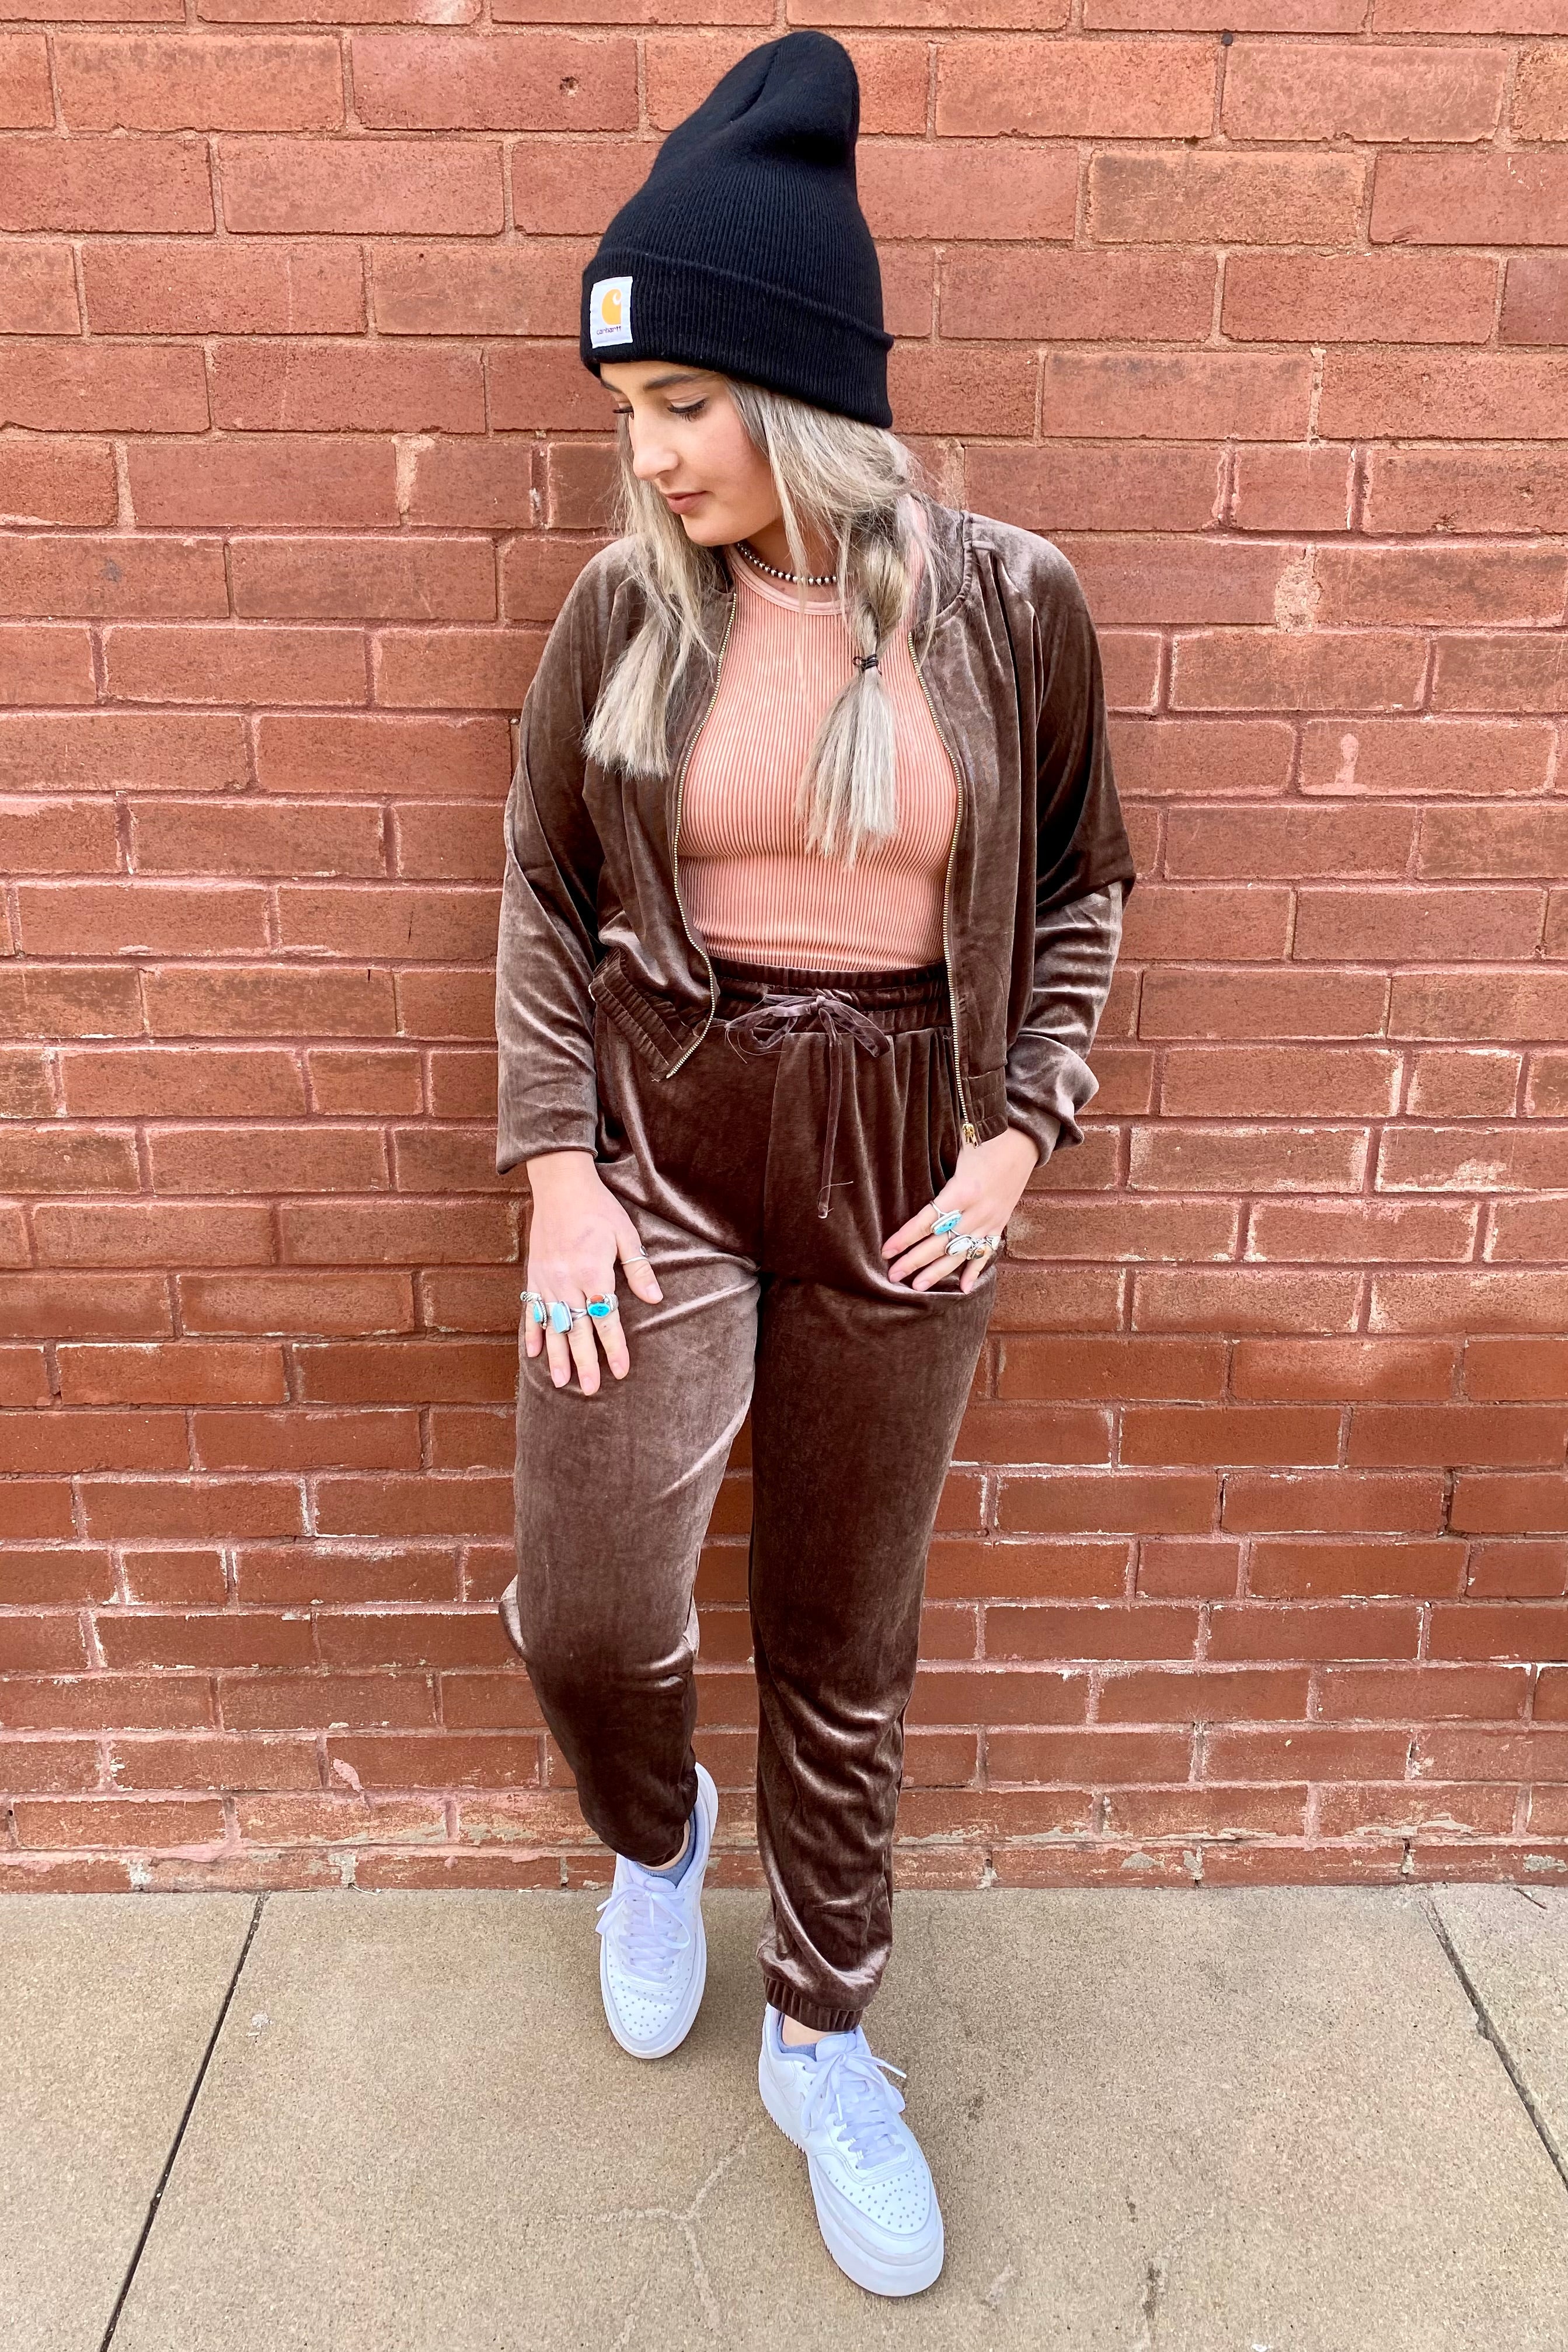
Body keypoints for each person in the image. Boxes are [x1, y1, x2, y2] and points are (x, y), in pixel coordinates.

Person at [494, 28, 1134, 2299]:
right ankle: (656, 1835)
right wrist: (559, 1170)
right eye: (628, 412)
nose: (650, 453)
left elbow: (1081, 892)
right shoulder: (624, 613)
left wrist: (1022, 1138)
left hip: (905, 1157)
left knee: (845, 1637)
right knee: (590, 1606)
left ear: (802, 383)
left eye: (684, 401)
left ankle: (823, 2035)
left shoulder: (1012, 610)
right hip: (662, 1139)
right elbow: (546, 891)